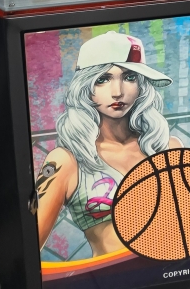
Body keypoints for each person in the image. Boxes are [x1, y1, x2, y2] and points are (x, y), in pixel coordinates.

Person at [35, 31, 180, 258]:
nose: (118, 92)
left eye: (129, 77)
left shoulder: (168, 147)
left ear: (141, 85)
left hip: (173, 271)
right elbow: (27, 246)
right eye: (103, 79)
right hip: (109, 276)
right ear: (85, 87)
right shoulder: (65, 161)